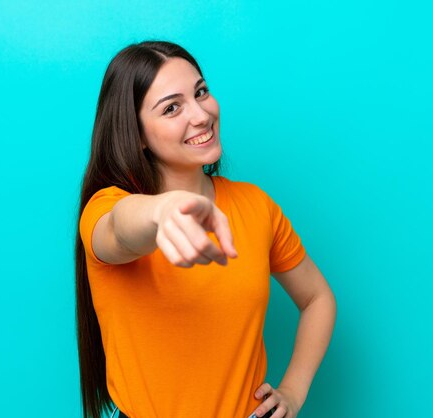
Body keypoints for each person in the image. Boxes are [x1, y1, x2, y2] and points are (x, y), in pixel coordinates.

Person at [74, 41, 337, 418]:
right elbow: (119, 227)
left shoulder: (255, 205)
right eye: (171, 108)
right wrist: (161, 210)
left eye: (200, 92)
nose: (201, 115)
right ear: (137, 135)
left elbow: (318, 299)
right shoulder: (106, 209)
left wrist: (293, 390)